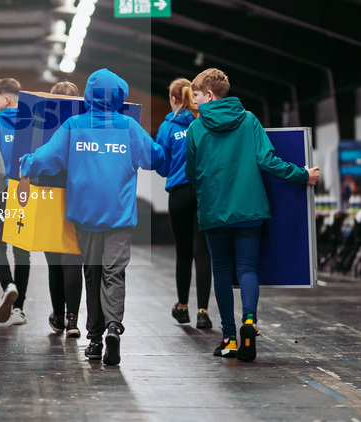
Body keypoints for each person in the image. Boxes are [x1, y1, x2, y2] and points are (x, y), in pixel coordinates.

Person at [20, 69, 165, 366]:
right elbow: (156, 159)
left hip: (86, 217)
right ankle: (114, 327)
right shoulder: (129, 127)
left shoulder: (74, 125)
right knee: (114, 273)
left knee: (93, 273)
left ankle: (95, 340)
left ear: (88, 96)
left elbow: (45, 160)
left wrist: (26, 163)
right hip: (119, 216)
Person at [185, 68, 319, 362]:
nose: (193, 103)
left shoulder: (195, 129)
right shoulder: (248, 120)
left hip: (214, 211)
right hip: (249, 210)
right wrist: (302, 175)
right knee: (247, 269)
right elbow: (267, 160)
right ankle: (249, 321)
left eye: (195, 96)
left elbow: (191, 174)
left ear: (208, 95)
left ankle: (229, 338)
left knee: (221, 272)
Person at [155, 78, 213, 330]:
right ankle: (203, 312)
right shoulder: (205, 123)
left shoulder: (167, 127)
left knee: (183, 252)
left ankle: (182, 308)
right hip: (203, 193)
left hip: (179, 194)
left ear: (173, 99)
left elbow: (163, 166)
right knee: (203, 252)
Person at [0, 77, 31, 325]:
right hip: (26, 192)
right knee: (22, 251)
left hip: (1, 193)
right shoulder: (33, 125)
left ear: (6, 99)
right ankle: (19, 309)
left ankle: (8, 284)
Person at [44, 81, 84, 339]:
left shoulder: (43, 126)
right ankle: (72, 320)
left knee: (54, 262)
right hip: (79, 195)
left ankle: (58, 316)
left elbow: (40, 160)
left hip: (48, 196)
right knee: (73, 259)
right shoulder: (85, 125)